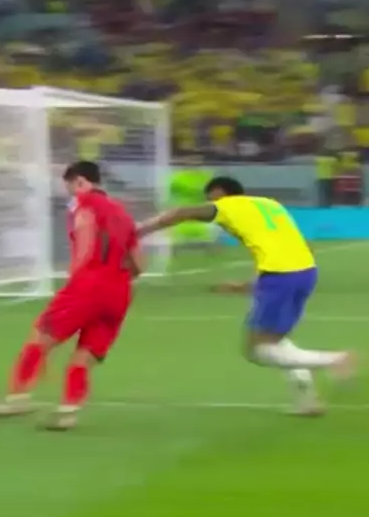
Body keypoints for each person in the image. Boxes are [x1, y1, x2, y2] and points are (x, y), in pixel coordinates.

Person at [137, 176, 355, 416]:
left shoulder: (228, 205)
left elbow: (181, 213)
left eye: (210, 197)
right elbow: (298, 245)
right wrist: (251, 284)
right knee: (276, 340)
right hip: (305, 272)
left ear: (219, 192)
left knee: (257, 350)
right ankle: (307, 401)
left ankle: (334, 360)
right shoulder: (270, 205)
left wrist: (139, 231)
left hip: (280, 276)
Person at [0, 161, 143, 430]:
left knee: (40, 338)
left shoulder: (85, 204)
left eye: (70, 188)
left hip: (88, 286)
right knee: (83, 356)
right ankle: (68, 411)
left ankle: (17, 398)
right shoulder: (122, 212)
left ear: (80, 181)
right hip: (119, 292)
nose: (70, 194)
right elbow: (139, 264)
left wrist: (78, 277)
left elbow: (85, 242)